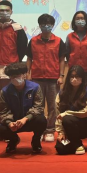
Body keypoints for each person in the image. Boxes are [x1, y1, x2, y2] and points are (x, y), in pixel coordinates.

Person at [0, 0, 28, 143]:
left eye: (7, 10)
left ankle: (10, 132)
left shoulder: (18, 28)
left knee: (10, 100)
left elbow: (22, 48)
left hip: (11, 68)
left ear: (11, 12)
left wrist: (14, 64)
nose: (4, 12)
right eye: (1, 10)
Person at [26, 14, 66, 143]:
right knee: (38, 106)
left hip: (53, 78)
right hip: (36, 78)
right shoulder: (33, 41)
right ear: (39, 25)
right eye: (43, 24)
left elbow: (62, 60)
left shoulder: (58, 41)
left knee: (53, 106)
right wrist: (28, 73)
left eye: (49, 24)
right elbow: (29, 58)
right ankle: (40, 130)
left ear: (53, 25)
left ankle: (50, 130)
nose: (46, 26)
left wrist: (61, 75)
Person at [0, 62, 47, 154]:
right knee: (0, 130)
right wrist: (9, 123)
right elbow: (3, 111)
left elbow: (38, 107)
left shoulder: (35, 87)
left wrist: (25, 119)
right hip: (14, 122)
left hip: (30, 120)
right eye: (12, 77)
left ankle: (36, 140)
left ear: (24, 75)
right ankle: (13, 140)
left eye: (17, 76)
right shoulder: (5, 91)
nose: (15, 79)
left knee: (42, 120)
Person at [55, 65, 87, 155]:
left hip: (85, 125)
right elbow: (58, 115)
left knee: (67, 118)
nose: (74, 79)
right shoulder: (61, 93)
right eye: (72, 76)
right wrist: (61, 133)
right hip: (67, 127)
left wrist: (67, 113)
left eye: (77, 76)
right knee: (60, 149)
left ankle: (78, 144)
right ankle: (73, 143)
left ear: (82, 78)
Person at [65, 11, 87, 90]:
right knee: (74, 93)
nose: (80, 20)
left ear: (86, 20)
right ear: (74, 21)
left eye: (82, 18)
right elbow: (67, 52)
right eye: (77, 18)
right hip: (74, 71)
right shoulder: (69, 36)